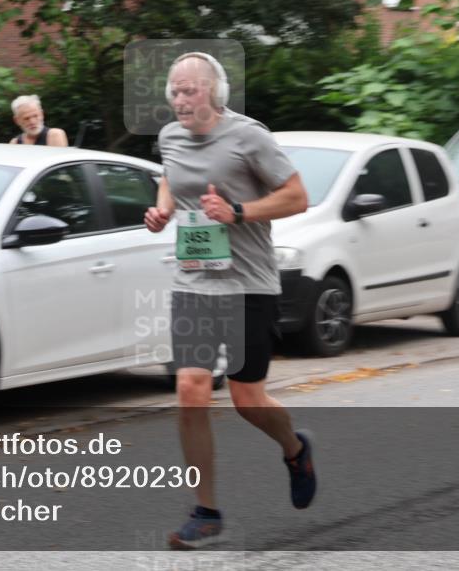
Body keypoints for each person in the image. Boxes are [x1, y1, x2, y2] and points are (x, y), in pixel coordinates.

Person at [144, 52, 315, 550]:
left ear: (214, 93)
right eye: (174, 90)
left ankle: (294, 448)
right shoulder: (170, 137)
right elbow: (171, 179)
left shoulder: (249, 136)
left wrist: (238, 212)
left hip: (249, 284)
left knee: (247, 399)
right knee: (191, 389)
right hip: (194, 281)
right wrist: (161, 210)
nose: (179, 99)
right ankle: (206, 511)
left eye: (190, 90)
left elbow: (297, 196)